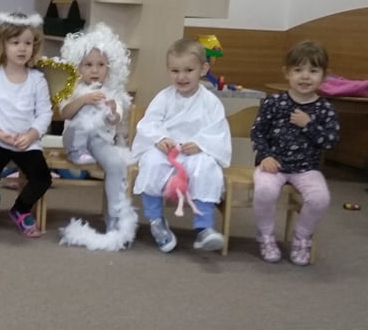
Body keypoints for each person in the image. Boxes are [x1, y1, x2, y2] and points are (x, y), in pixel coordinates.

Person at [131, 38, 231, 253]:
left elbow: (217, 130)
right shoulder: (164, 97)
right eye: (175, 71)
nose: (181, 77)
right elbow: (149, 123)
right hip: (167, 152)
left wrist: (201, 144)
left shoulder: (210, 102)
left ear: (203, 69)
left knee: (207, 167)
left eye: (189, 70)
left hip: (195, 153)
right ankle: (156, 222)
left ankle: (204, 227)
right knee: (150, 164)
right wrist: (160, 139)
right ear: (168, 70)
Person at [251, 40, 340, 265]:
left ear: (325, 76)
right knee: (264, 191)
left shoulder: (325, 109)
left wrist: (308, 124)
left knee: (320, 198)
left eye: (313, 70)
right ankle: (266, 236)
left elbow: (331, 141)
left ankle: (301, 238)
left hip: (306, 168)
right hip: (273, 164)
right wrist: (265, 156)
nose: (305, 76)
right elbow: (258, 132)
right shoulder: (274, 102)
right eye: (298, 70)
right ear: (287, 73)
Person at [57, 23, 139, 251]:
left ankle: (115, 219)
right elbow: (65, 113)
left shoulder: (114, 94)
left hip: (100, 142)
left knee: (116, 165)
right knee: (78, 127)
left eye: (101, 65)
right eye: (88, 65)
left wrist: (112, 111)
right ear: (78, 67)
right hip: (74, 139)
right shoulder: (72, 90)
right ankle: (77, 152)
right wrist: (83, 100)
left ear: (109, 68)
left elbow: (115, 120)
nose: (95, 70)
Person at [0, 12, 53, 237]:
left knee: (42, 178)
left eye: (27, 43)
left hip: (26, 142)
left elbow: (44, 112)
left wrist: (32, 135)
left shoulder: (37, 80)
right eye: (15, 42)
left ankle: (21, 209)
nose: (22, 48)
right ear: (3, 44)